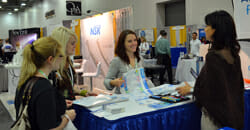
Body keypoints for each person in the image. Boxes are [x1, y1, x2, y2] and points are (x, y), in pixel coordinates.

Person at [178, 10, 244, 130]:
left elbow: (209, 92)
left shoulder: (214, 56)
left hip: (215, 119)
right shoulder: (234, 54)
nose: (205, 29)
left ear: (216, 30)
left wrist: (191, 89)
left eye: (208, 26)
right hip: (233, 115)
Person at [14, 37, 76, 129]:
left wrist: (56, 103)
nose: (62, 59)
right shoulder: (45, 88)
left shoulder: (25, 81)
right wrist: (67, 118)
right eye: (60, 56)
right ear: (50, 59)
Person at [50, 27, 96, 106]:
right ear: (63, 44)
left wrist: (83, 92)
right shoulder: (52, 69)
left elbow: (70, 87)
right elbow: (51, 98)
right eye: (72, 43)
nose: (75, 46)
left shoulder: (69, 63)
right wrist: (73, 99)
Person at [104, 30, 143, 94]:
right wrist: (113, 82)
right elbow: (106, 81)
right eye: (129, 41)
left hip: (139, 97)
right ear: (123, 44)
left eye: (135, 40)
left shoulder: (139, 59)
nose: (134, 43)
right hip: (123, 99)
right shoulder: (117, 61)